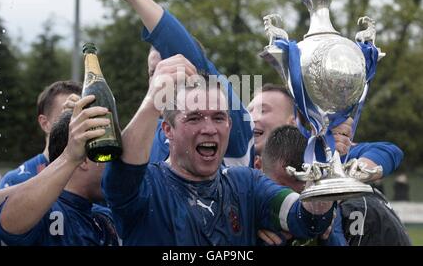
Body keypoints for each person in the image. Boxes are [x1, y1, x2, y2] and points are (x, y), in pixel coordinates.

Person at [101, 50, 337, 245]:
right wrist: (154, 99)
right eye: (194, 118)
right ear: (167, 130)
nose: (209, 128)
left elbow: (305, 220)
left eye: (218, 117)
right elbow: (121, 172)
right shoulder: (148, 186)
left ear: (230, 124)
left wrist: (322, 195)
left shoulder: (246, 184)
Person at [83, 0, 254, 168]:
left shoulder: (227, 116)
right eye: (153, 72)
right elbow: (117, 185)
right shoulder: (148, 135)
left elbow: (175, 42)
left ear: (196, 75)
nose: (158, 79)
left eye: (169, 68)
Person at [0, 96, 118, 246]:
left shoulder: (104, 216)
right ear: (84, 159)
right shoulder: (42, 211)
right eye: (106, 153)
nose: (114, 163)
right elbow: (8, 220)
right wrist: (69, 157)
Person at [260, 125, 411, 246]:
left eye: (300, 191)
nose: (256, 116)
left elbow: (389, 151)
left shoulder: (321, 153)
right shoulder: (247, 180)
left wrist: (337, 186)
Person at [249, 83, 403, 179]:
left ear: (293, 123)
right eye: (248, 112)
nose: (251, 118)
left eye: (262, 111)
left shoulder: (321, 152)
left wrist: (353, 174)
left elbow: (388, 151)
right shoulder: (237, 162)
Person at [0, 80, 82, 189]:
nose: (75, 123)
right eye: (68, 115)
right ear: (45, 123)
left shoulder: (96, 177)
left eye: (81, 114)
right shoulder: (16, 181)